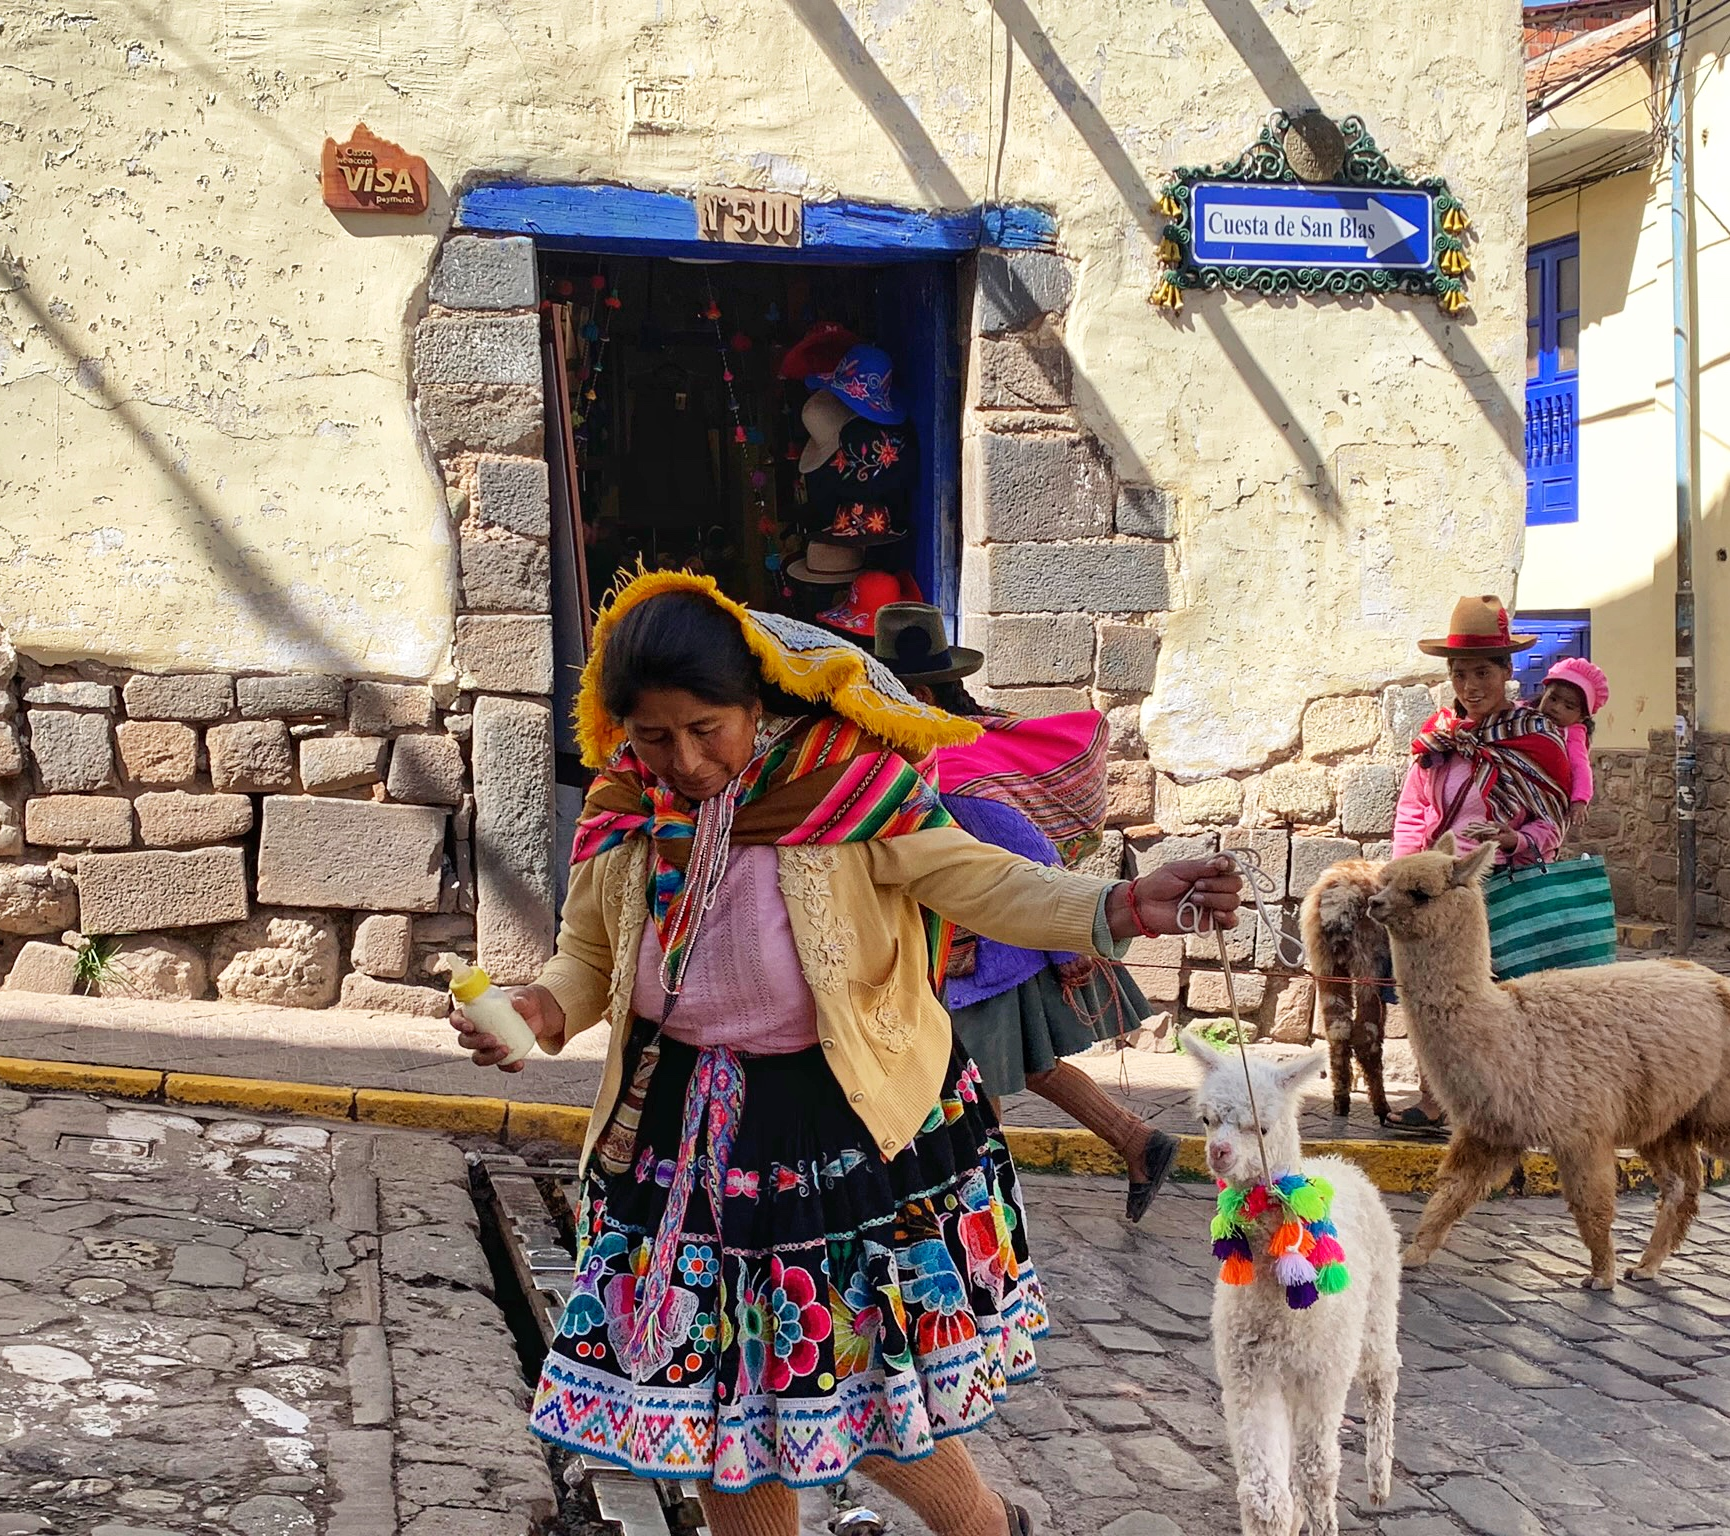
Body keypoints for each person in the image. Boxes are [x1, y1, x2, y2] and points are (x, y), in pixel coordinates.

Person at [449, 572, 1240, 1536]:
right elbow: (589, 956)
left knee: (853, 1371)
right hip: (680, 1128)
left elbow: (987, 883)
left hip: (834, 1124)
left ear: (755, 705)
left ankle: (985, 1528)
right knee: (719, 1398)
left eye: (706, 729)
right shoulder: (625, 806)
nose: (685, 761)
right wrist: (538, 1007)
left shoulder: (848, 791)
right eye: (654, 737)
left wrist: (1118, 905)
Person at [874, 602, 1182, 1224]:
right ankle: (1137, 1142)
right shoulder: (958, 750)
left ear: (918, 695)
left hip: (987, 955)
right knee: (1023, 1066)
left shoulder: (954, 770)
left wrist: (1069, 949)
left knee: (966, 1077)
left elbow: (1032, 854)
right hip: (980, 951)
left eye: (886, 696)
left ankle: (978, 1209)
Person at [1387, 595, 1574, 1135]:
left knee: (1502, 1000)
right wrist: (1406, 873)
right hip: (1435, 895)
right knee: (1433, 998)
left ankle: (1512, 1099)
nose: (1470, 686)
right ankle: (1438, 1098)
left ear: (1506, 671)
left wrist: (1517, 839)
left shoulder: (1535, 738)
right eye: (1460, 674)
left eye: (1482, 673)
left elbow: (1552, 821)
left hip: (1503, 886)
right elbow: (1414, 810)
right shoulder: (1439, 739)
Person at [1535, 657, 1608, 837]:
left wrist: (1580, 801)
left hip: (1547, 799)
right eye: (1552, 698)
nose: (1556, 708)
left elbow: (1580, 767)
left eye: (1568, 706)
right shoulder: (1526, 716)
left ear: (1582, 716)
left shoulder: (1573, 735)